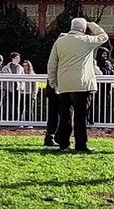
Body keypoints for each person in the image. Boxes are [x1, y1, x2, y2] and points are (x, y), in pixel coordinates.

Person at [45, 17, 109, 153]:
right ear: (84, 28)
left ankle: (63, 143)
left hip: (64, 84)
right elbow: (104, 37)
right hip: (82, 84)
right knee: (80, 116)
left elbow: (52, 64)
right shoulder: (86, 40)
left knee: (65, 116)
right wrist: (93, 26)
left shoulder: (60, 41)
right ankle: (80, 144)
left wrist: (53, 82)